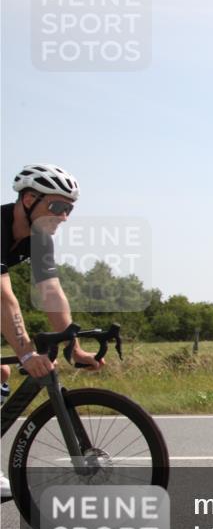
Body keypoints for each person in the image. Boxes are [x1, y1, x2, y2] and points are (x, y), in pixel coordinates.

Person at [1, 164, 103, 500]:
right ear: (29, 199)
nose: (64, 216)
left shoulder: (38, 240)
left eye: (69, 209)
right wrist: (27, 352)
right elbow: (4, 298)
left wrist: (73, 348)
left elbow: (50, 292)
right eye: (57, 206)